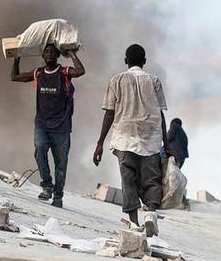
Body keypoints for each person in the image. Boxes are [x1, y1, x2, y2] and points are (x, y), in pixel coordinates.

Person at [93, 44, 172, 236]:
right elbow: (160, 114)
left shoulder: (117, 80)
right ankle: (151, 214)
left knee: (128, 179)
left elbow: (110, 113)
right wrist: (167, 144)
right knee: (151, 180)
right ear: (144, 61)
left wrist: (100, 142)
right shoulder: (154, 80)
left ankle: (134, 222)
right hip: (150, 139)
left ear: (125, 61)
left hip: (124, 138)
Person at [11, 44, 85, 208]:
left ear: (58, 55)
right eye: (46, 51)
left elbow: (80, 71)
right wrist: (17, 57)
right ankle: (47, 186)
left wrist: (71, 53)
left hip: (61, 127)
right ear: (42, 56)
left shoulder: (64, 72)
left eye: (53, 51)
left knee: (61, 163)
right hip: (42, 124)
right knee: (39, 149)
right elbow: (14, 76)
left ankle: (58, 195)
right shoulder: (38, 73)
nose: (49, 54)